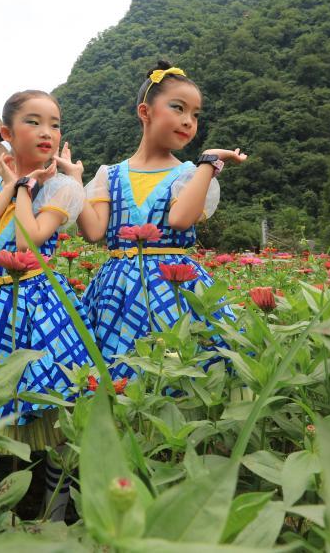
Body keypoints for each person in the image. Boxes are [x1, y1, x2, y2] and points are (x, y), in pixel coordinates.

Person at [0, 89, 90, 520]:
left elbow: (32, 238)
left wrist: (28, 191)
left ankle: (53, 512)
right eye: (34, 122)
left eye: (54, 123)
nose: (46, 132)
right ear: (7, 133)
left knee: (51, 402)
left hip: (37, 301)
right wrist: (11, 185)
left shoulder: (64, 188)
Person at [76, 61, 247, 380]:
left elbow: (181, 220)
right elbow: (94, 232)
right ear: (146, 112)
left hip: (175, 285)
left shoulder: (189, 175)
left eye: (195, 115)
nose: (188, 121)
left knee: (181, 370)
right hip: (117, 292)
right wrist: (73, 183)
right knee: (118, 370)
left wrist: (209, 162)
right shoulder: (108, 176)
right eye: (178, 108)